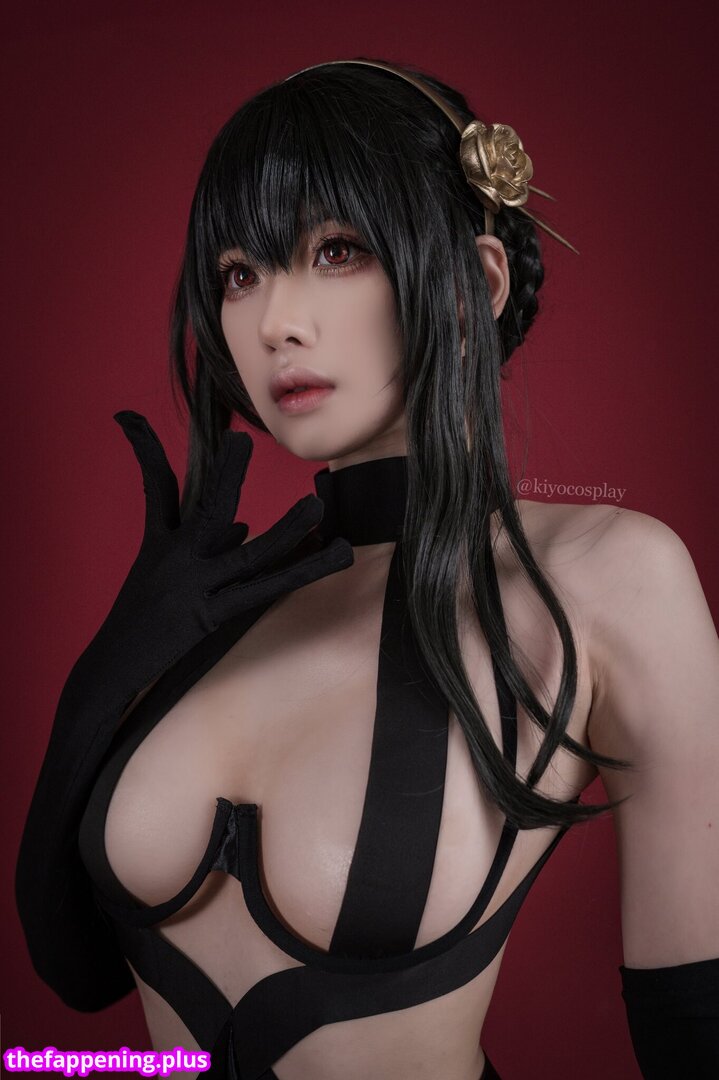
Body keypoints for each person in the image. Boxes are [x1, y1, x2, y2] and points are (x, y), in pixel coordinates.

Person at [15, 56, 719, 1080]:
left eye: (335, 250)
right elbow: (75, 973)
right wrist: (104, 681)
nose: (272, 323)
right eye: (239, 274)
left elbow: (695, 1024)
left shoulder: (611, 577)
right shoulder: (218, 604)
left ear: (476, 283)